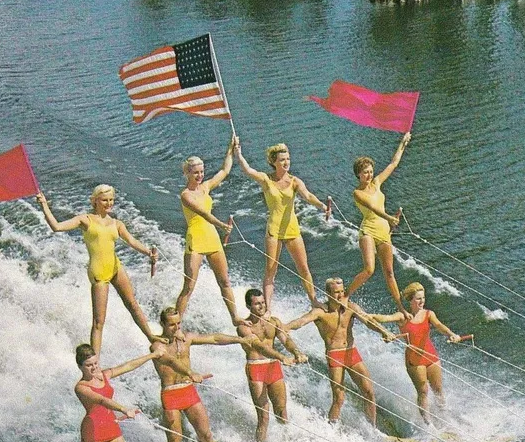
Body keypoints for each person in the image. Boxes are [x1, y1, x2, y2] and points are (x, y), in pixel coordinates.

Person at [37, 186, 162, 358]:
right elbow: (57, 227)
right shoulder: (85, 220)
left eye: (111, 200)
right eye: (104, 200)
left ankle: (151, 336)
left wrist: (148, 252)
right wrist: (44, 205)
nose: (109, 203)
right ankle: (94, 363)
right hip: (98, 272)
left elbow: (132, 241)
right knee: (98, 322)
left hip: (115, 267)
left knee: (132, 304)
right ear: (95, 200)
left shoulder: (117, 223)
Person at [151, 307, 253, 442]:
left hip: (188, 391)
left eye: (178, 323)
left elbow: (214, 338)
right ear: (162, 324)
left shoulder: (187, 338)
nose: (176, 327)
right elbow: (169, 361)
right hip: (171, 394)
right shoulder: (157, 345)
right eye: (171, 325)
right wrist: (190, 373)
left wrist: (240, 340)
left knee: (206, 435)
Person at [284, 277, 397, 427]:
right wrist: (285, 327)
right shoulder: (320, 312)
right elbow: (301, 321)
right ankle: (331, 429)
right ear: (328, 293)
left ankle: (372, 429)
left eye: (342, 291)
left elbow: (368, 321)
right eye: (336, 292)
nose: (340, 295)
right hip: (335, 355)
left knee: (369, 392)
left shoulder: (351, 307)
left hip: (351, 352)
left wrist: (383, 331)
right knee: (339, 397)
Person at [234, 138, 329, 309]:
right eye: (282, 160)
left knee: (304, 269)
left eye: (288, 159)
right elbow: (247, 170)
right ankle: (268, 308)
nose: (286, 162)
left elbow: (307, 196)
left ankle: (314, 300)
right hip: (274, 231)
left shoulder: (294, 181)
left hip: (292, 229)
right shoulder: (266, 179)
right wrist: (239, 154)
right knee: (270, 271)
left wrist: (321, 205)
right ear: (273, 162)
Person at [175, 138, 244, 326]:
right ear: (187, 173)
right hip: (196, 239)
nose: (200, 176)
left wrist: (231, 149)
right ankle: (175, 324)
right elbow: (204, 214)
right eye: (195, 173)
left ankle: (235, 317)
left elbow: (224, 171)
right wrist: (222, 225)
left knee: (225, 282)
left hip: (211, 237)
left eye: (202, 172)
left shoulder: (205, 187)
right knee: (189, 286)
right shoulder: (186, 195)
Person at [371, 282, 461, 425]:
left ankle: (445, 418)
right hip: (414, 360)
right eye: (418, 299)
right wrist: (370, 316)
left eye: (423, 298)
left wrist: (451, 334)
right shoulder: (403, 317)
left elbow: (439, 326)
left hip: (431, 355)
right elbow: (385, 318)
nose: (422, 301)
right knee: (423, 391)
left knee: (438, 390)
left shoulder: (428, 314)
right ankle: (428, 424)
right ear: (410, 300)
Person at [346, 132, 412, 317]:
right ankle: (345, 295)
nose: (369, 175)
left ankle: (401, 308)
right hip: (368, 230)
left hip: (384, 232)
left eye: (370, 171)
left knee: (390, 272)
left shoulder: (376, 183)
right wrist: (390, 218)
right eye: (364, 172)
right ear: (358, 175)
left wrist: (403, 143)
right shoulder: (357, 193)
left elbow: (393, 163)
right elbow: (373, 208)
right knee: (369, 269)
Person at [237, 288, 307, 442]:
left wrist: (296, 352)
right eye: (257, 304)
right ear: (249, 306)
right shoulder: (243, 327)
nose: (261, 307)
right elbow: (260, 346)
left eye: (263, 303)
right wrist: (282, 357)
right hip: (256, 368)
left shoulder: (274, 321)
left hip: (273, 367)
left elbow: (286, 339)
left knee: (282, 411)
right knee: (264, 416)